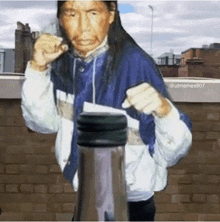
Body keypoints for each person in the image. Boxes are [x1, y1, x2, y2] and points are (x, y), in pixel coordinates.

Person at [21, 0, 192, 221]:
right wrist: (38, 67)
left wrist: (164, 110)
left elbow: (169, 154)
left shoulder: (135, 64)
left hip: (129, 207)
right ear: (60, 18)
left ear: (111, 14)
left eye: (92, 12)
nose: (82, 26)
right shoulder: (62, 61)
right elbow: (43, 124)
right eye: (71, 14)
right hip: (87, 199)